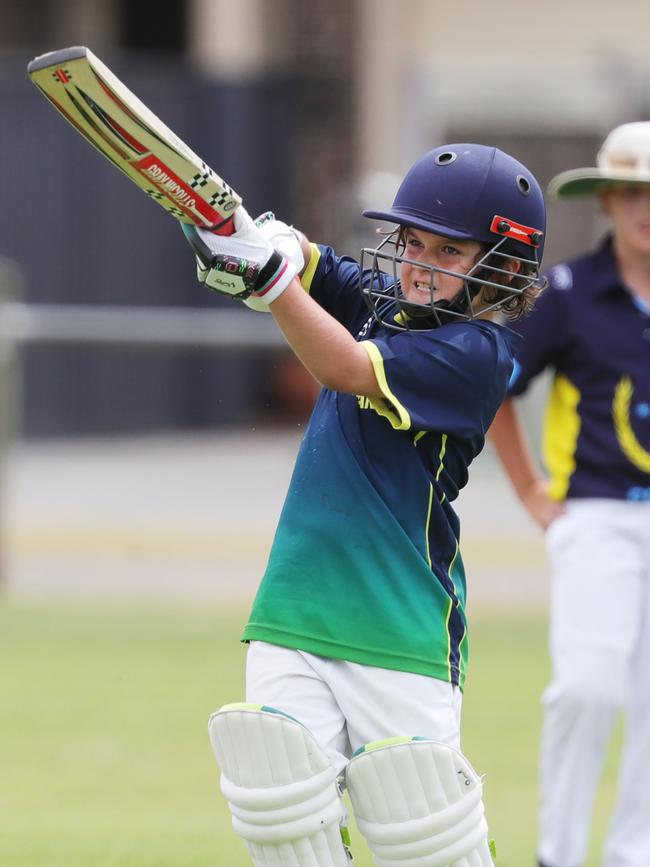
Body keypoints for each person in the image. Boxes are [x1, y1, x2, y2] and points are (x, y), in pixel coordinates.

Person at [183, 143, 546, 866]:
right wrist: (263, 242)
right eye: (412, 240)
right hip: (295, 605)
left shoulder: (478, 355)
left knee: (423, 834)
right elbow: (319, 270)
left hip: (399, 628)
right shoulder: (389, 305)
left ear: (503, 267)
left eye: (448, 249)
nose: (417, 262)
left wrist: (272, 278)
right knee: (278, 807)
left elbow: (342, 364)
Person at [489, 121, 650, 867]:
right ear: (608, 201)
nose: (644, 207)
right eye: (631, 192)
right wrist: (530, 491)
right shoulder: (567, 292)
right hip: (594, 513)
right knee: (588, 688)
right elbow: (492, 384)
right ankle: (558, 854)